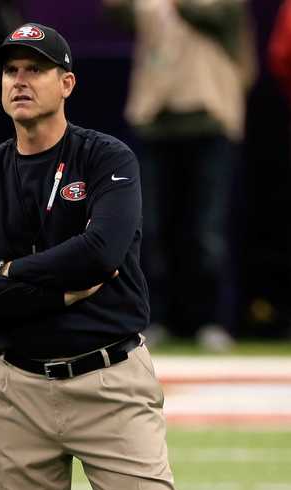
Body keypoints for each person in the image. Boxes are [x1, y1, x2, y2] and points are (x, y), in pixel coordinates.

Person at [0, 23, 179, 490]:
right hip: (16, 389)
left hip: (109, 380)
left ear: (67, 83)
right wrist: (57, 295)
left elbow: (100, 253)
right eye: (11, 71)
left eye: (36, 69)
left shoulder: (107, 157)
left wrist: (10, 271)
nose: (20, 81)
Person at [103, 0, 257, 351]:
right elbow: (116, 13)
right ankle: (155, 317)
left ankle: (210, 319)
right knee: (153, 226)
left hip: (210, 114)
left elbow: (217, 15)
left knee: (207, 229)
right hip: (156, 117)